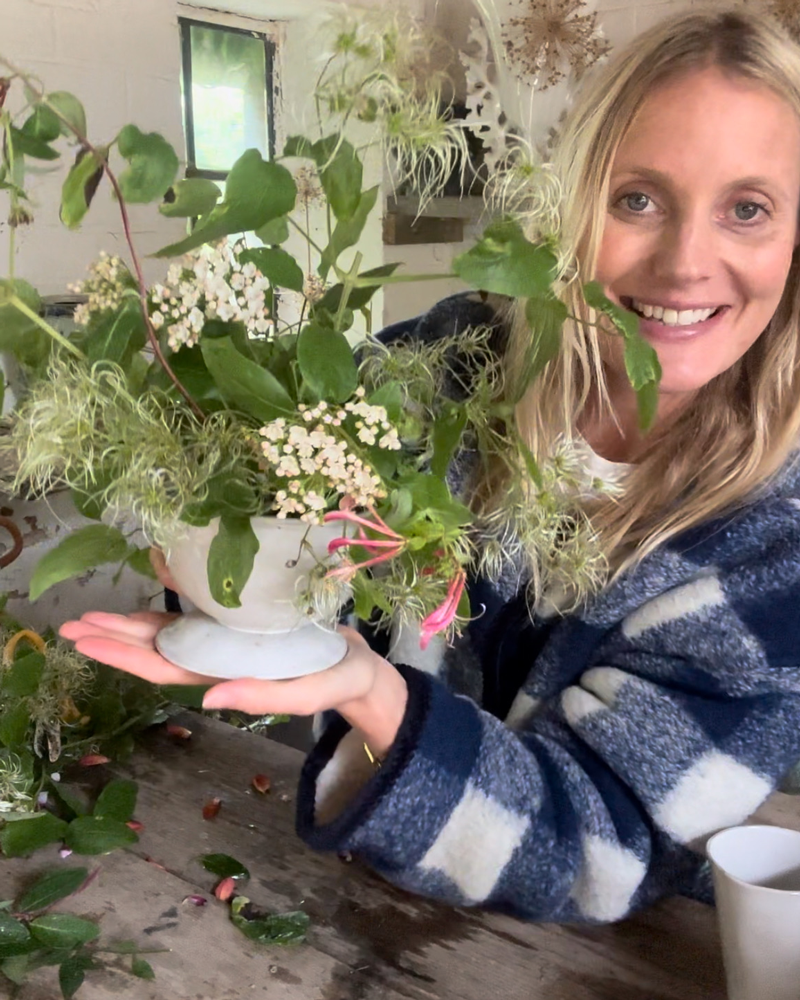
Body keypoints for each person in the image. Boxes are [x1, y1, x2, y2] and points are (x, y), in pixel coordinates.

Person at [60, 8, 800, 924]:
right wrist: (212, 572)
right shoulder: (449, 360)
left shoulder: (779, 544)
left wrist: (374, 694)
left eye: (748, 208)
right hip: (337, 891)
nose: (688, 261)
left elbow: (597, 853)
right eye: (637, 198)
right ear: (572, 206)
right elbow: (285, 535)